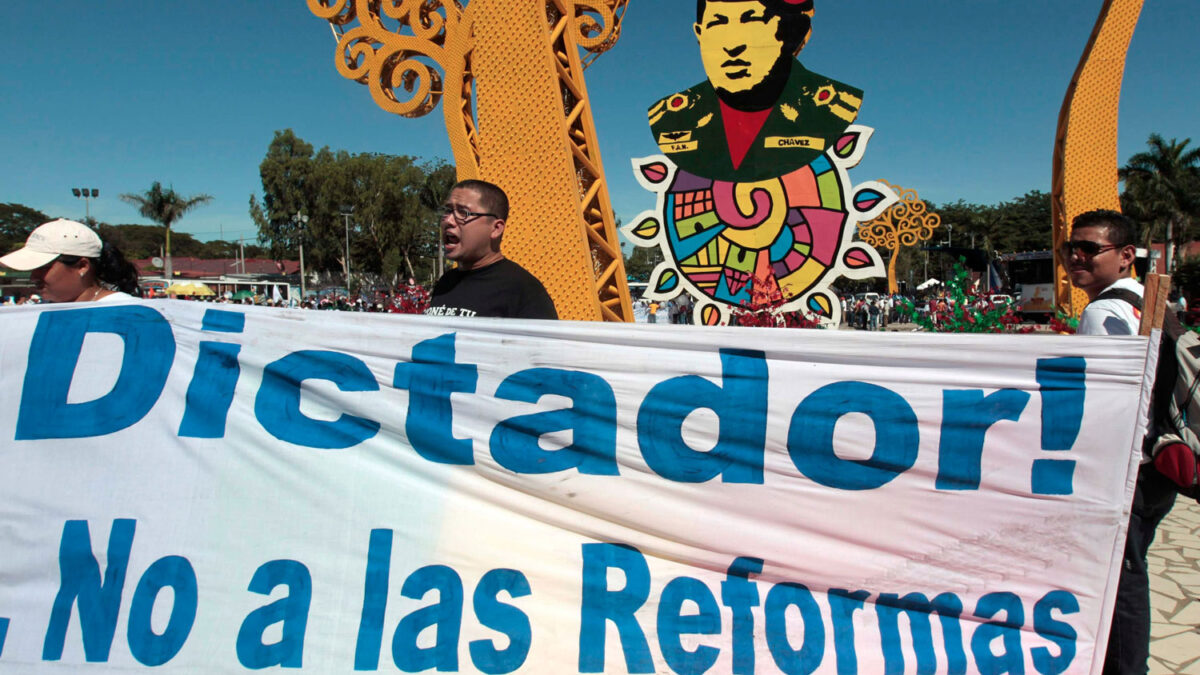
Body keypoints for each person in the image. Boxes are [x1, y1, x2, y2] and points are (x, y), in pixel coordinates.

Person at [1065, 210, 1173, 675]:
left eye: (1090, 249)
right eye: (1071, 248)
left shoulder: (1103, 310)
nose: (1076, 257)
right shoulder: (1144, 301)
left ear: (1126, 255)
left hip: (1129, 469)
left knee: (1124, 578)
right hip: (1157, 461)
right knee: (1130, 568)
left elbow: (1104, 398)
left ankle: (1127, 668)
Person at [649, 0, 863, 182]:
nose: (732, 44)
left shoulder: (831, 110)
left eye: (751, 20)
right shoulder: (671, 117)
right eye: (718, 23)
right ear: (699, 33)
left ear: (781, 30)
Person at [425, 179, 557, 319]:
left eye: (463, 213)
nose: (448, 221)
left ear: (496, 228)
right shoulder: (446, 282)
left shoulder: (524, 290)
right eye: (448, 210)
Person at [0, 218, 140, 302]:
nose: (33, 277)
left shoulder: (132, 313)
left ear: (82, 266)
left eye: (44, 267)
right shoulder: (37, 314)